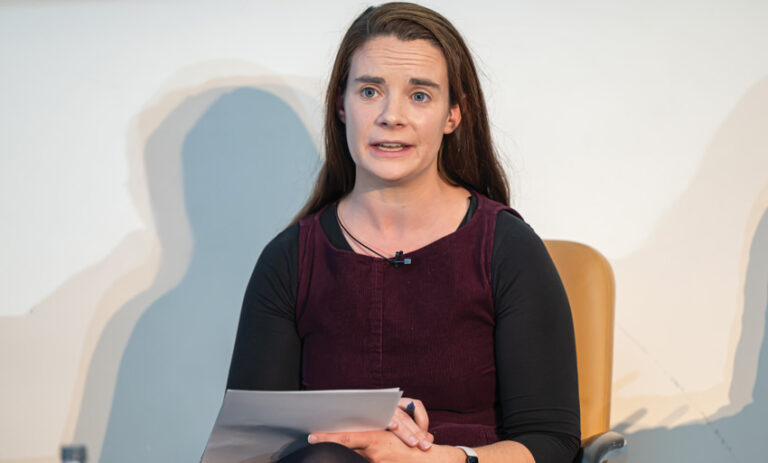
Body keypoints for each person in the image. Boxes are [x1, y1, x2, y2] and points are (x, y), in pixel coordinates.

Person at [226, 2, 580, 462]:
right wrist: (355, 420)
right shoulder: (289, 260)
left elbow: (553, 443)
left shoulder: (509, 249)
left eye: (420, 95)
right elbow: (247, 449)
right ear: (341, 105)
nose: (391, 115)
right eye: (370, 91)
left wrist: (436, 459)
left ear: (453, 114)